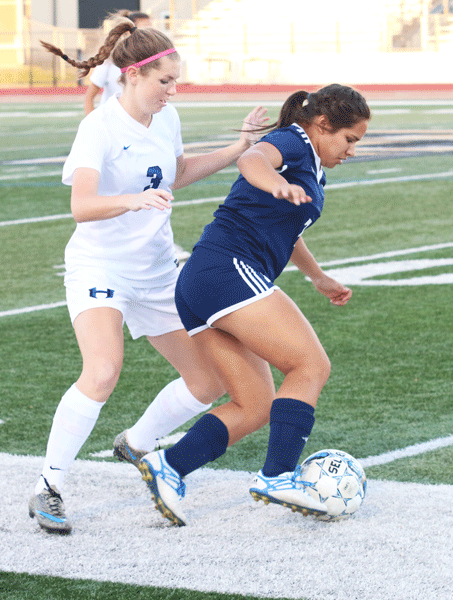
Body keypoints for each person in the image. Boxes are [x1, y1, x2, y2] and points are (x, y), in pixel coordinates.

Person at [29, 24, 269, 534]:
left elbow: (175, 172)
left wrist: (237, 148)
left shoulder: (167, 117)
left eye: (176, 81)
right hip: (101, 268)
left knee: (205, 383)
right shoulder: (99, 126)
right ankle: (48, 487)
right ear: (133, 75)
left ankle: (135, 444)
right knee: (102, 371)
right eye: (165, 80)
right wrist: (132, 200)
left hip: (157, 270)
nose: (173, 89)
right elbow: (82, 206)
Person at [137, 84, 371, 526]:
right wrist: (276, 181)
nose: (353, 151)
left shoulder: (313, 165)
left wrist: (317, 276)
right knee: (310, 366)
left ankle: (170, 465)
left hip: (205, 281)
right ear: (323, 125)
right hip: (226, 270)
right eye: (350, 139)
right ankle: (277, 475)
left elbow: (288, 229)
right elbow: (252, 160)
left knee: (256, 404)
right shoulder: (294, 141)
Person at [83, 11, 152, 116]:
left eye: (151, 29)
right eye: (145, 29)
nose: (149, 33)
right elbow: (89, 97)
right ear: (129, 31)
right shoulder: (110, 61)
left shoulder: (151, 60)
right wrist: (92, 123)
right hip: (111, 123)